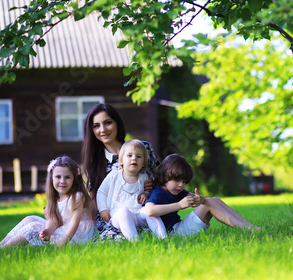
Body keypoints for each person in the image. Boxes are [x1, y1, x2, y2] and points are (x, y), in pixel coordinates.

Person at [82, 103, 161, 240]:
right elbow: (94, 199)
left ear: (117, 123)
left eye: (108, 123)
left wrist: (151, 187)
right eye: (96, 126)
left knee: (153, 228)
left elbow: (163, 177)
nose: (102, 130)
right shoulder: (94, 163)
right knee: (116, 239)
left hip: (144, 211)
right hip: (113, 218)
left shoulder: (143, 148)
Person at [0, 156, 96, 250]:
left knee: (34, 226)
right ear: (52, 178)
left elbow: (74, 225)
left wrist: (61, 245)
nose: (62, 181)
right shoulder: (56, 198)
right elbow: (56, 221)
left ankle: (2, 250)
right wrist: (48, 230)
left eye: (67, 177)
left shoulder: (77, 197)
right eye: (58, 177)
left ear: (74, 178)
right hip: (64, 229)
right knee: (29, 219)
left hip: (76, 236)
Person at [144, 154, 260, 236]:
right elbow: (149, 211)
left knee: (212, 200)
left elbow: (198, 200)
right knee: (207, 205)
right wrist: (179, 205)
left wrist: (200, 199)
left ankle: (249, 226)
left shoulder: (175, 190)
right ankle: (249, 229)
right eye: (177, 180)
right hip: (172, 233)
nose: (181, 185)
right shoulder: (158, 192)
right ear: (165, 176)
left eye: (184, 182)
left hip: (178, 228)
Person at [97, 140, 167, 241]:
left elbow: (149, 190)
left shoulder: (144, 177)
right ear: (121, 161)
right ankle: (135, 241)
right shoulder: (114, 175)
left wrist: (146, 194)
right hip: (117, 215)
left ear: (143, 163)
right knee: (124, 212)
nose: (134, 158)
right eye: (129, 155)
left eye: (139, 156)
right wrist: (103, 209)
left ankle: (163, 237)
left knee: (149, 212)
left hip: (137, 214)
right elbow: (101, 192)